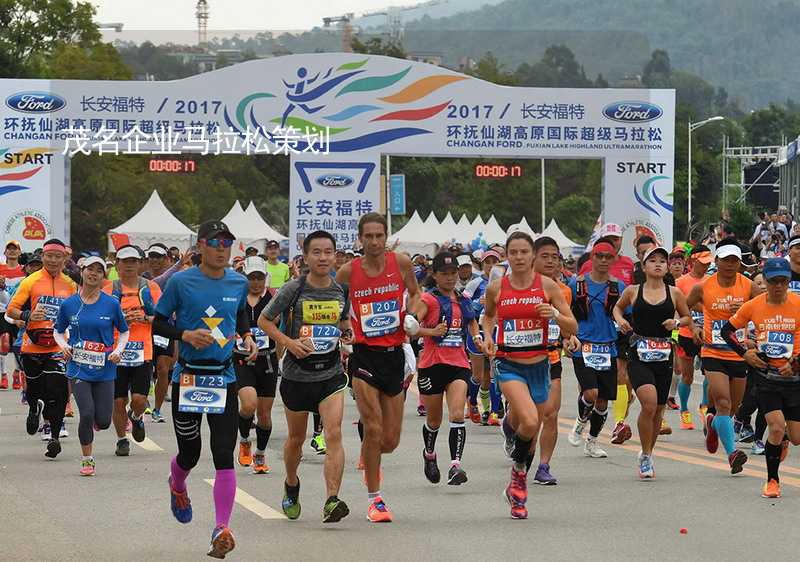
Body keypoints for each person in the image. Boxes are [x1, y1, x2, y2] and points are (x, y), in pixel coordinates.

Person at [153, 220, 257, 559]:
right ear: (201, 245)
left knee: (224, 453)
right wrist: (184, 335)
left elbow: (240, 316)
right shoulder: (182, 282)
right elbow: (158, 321)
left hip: (223, 377)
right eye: (215, 242)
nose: (221, 248)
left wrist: (247, 336)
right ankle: (178, 484)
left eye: (227, 241)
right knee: (191, 454)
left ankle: (220, 528)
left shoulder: (239, 282)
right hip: (188, 378)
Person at [260, 230, 353, 523]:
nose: (323, 257)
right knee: (296, 440)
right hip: (296, 377)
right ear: (306, 256)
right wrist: (288, 343)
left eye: (328, 252)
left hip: (331, 374)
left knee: (334, 433)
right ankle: (291, 482)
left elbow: (344, 320)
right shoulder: (293, 289)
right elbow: (264, 320)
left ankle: (331, 499)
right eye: (317, 252)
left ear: (335, 256)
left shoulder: (341, 290)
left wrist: (346, 333)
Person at [482, 232, 576, 519]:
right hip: (509, 364)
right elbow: (488, 317)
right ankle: (519, 479)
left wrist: (555, 316)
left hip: (540, 365)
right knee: (531, 420)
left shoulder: (548, 286)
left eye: (524, 252)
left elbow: (572, 325)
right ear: (506, 256)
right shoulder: (497, 288)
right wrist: (487, 337)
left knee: (530, 430)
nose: (519, 257)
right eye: (514, 252)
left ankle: (516, 479)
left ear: (532, 256)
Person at [336, 212, 421, 523]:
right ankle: (375, 500)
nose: (373, 241)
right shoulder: (347, 271)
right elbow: (334, 303)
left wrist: (414, 315)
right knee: (373, 428)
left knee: (390, 440)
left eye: (378, 236)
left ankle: (370, 452)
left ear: (386, 237)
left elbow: (417, 294)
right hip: (363, 356)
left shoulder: (401, 263)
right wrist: (344, 328)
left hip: (393, 355)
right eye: (368, 236)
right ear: (360, 239)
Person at [722, 258, 800, 497]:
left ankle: (786, 438)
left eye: (783, 281)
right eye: (773, 281)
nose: (778, 286)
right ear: (764, 280)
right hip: (767, 378)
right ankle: (772, 480)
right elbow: (727, 331)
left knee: (796, 437)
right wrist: (745, 353)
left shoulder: (798, 304)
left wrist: (795, 364)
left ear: (789, 281)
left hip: (795, 379)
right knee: (775, 428)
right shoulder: (753, 305)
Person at [613, 247, 692, 478]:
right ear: (644, 266)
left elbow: (686, 317)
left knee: (658, 410)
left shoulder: (675, 293)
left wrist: (676, 324)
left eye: (662, 261)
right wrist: (621, 321)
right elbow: (617, 308)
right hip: (639, 353)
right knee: (648, 403)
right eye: (652, 261)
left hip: (664, 355)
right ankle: (646, 456)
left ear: (667, 267)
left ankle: (648, 452)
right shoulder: (633, 291)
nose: (658, 264)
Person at [687, 240, 760, 474]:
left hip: (739, 354)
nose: (729, 264)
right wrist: (696, 326)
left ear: (740, 263)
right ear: (716, 261)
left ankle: (714, 424)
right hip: (713, 352)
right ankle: (732, 455)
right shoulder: (703, 287)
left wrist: (755, 340)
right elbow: (684, 308)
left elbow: (765, 311)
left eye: (734, 260)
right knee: (723, 403)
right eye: (725, 260)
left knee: (731, 409)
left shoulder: (748, 286)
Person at [408, 251, 480, 486]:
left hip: (458, 363)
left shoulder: (463, 298)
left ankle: (455, 466)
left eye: (453, 273)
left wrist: (478, 337)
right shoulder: (428, 300)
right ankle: (429, 454)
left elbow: (471, 321)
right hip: (431, 365)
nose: (450, 278)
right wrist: (432, 332)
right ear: (435, 275)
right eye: (444, 274)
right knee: (435, 420)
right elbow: (411, 327)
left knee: (458, 414)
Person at [54, 257, 129, 475]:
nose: (93, 274)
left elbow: (124, 331)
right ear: (82, 272)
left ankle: (96, 423)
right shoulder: (69, 304)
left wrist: (117, 351)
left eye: (99, 271)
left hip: (105, 368)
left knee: (104, 421)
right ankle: (87, 459)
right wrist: (64, 345)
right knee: (86, 413)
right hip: (78, 367)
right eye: (90, 269)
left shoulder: (112, 303)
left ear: (103, 276)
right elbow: (58, 330)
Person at [6, 239, 77, 458]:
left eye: (58, 256)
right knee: (36, 390)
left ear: (65, 259)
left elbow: (76, 314)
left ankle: (54, 438)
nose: (54, 260)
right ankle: (33, 408)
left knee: (57, 391)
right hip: (32, 345)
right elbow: (11, 310)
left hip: (57, 345)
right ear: (43, 257)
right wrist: (28, 315)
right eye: (50, 256)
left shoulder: (70, 285)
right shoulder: (31, 281)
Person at [567, 241, 626, 458]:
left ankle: (592, 441)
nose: (603, 260)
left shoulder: (619, 287)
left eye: (608, 257)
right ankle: (580, 422)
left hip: (608, 348)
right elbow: (566, 311)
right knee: (590, 392)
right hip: (583, 345)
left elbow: (628, 313)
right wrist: (568, 335)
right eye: (599, 256)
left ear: (614, 260)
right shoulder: (576, 284)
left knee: (602, 401)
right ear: (592, 257)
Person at [102, 245, 162, 457]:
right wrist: (120, 320)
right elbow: (99, 318)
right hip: (116, 352)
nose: (129, 266)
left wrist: (146, 318)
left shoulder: (151, 287)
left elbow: (163, 317)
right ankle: (121, 440)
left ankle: (135, 417)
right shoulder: (108, 289)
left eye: (133, 262)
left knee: (138, 399)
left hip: (142, 351)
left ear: (140, 264)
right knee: (118, 400)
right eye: (124, 262)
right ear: (117, 265)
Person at [532, 236, 578, 485]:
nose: (551, 261)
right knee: (525, 418)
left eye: (555, 257)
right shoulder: (519, 287)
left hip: (551, 357)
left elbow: (567, 324)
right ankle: (510, 426)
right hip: (521, 359)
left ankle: (543, 466)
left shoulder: (564, 291)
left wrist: (570, 338)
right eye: (545, 256)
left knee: (550, 414)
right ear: (533, 258)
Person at [235, 256, 280, 475]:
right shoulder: (236, 299)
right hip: (242, 359)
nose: (256, 282)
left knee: (264, 414)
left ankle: (260, 453)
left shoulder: (274, 300)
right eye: (251, 277)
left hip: (267, 360)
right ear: (245, 277)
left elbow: (282, 331)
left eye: (259, 277)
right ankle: (244, 440)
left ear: (265, 278)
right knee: (248, 405)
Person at [463, 249, 503, 425]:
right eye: (488, 262)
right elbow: (463, 306)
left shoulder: (505, 283)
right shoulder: (475, 283)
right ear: (482, 264)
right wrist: (476, 304)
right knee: (478, 376)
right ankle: (472, 403)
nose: (491, 265)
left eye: (495, 262)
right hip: (477, 331)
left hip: (495, 331)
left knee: (495, 374)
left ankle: (494, 413)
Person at [674, 246, 712, 430]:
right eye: (702, 263)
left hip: (708, 336)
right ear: (692, 262)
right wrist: (692, 326)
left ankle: (704, 406)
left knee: (709, 374)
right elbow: (681, 309)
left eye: (708, 263)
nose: (706, 266)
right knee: (687, 376)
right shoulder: (680, 282)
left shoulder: (712, 281)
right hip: (687, 335)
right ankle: (684, 410)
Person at [0, 240, 26, 391]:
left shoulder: (24, 271)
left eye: (14, 249)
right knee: (4, 343)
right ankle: (3, 375)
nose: (12, 251)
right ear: (5, 252)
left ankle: (17, 373)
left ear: (19, 252)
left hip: (17, 311)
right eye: (9, 249)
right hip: (2, 311)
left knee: (18, 344)